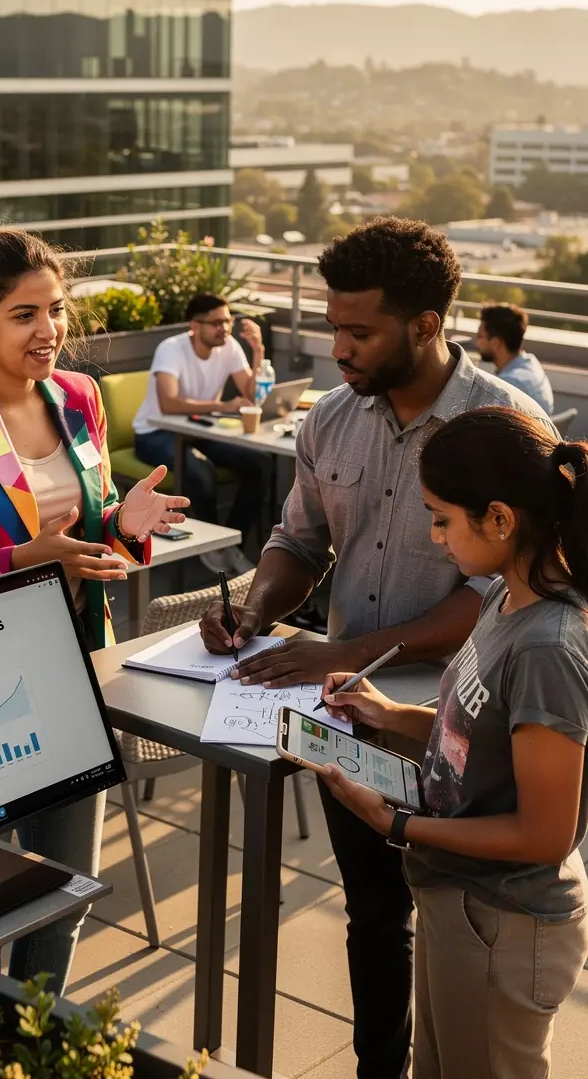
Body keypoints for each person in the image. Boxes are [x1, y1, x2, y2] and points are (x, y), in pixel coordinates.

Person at [199, 217, 554, 1079]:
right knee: (372, 912)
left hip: (460, 723)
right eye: (333, 326)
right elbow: (299, 538)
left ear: (426, 326)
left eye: (359, 332)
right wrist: (255, 609)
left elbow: (500, 595)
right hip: (354, 716)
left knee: (459, 918)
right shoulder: (328, 418)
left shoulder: (507, 429)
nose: (338, 346)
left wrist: (333, 656)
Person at [0, 228, 188, 993]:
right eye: (23, 315)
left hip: (75, 670)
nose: (48, 330)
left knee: (65, 892)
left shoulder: (79, 399)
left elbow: (89, 523)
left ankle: (39, 1040)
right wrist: (25, 558)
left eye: (55, 309)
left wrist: (124, 524)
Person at [316, 407, 588, 1079]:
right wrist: (390, 714)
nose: (435, 536)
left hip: (507, 923)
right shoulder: (505, 601)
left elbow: (544, 835)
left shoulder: (550, 644)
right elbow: (475, 731)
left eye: (442, 518)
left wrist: (398, 822)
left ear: (499, 520)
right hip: (461, 904)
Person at [133, 292, 265, 576]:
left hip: (199, 430)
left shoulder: (229, 346)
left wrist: (258, 351)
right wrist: (222, 406)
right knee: (199, 471)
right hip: (155, 432)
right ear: (194, 325)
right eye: (216, 322)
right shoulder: (171, 348)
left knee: (260, 464)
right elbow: (168, 403)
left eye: (228, 321)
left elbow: (252, 395)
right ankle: (214, 548)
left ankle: (228, 543)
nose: (225, 328)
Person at [476, 303, 554, 414]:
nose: (476, 342)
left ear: (496, 343)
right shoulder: (531, 363)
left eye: (479, 336)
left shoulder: (508, 385)